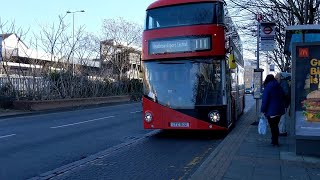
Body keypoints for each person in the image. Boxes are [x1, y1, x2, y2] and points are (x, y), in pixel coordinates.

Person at [261, 74, 286, 146]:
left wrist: (262, 110)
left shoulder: (268, 87)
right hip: (280, 110)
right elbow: (284, 96)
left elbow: (265, 100)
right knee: (276, 125)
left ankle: (275, 141)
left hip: (271, 110)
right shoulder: (279, 86)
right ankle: (275, 140)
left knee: (273, 126)